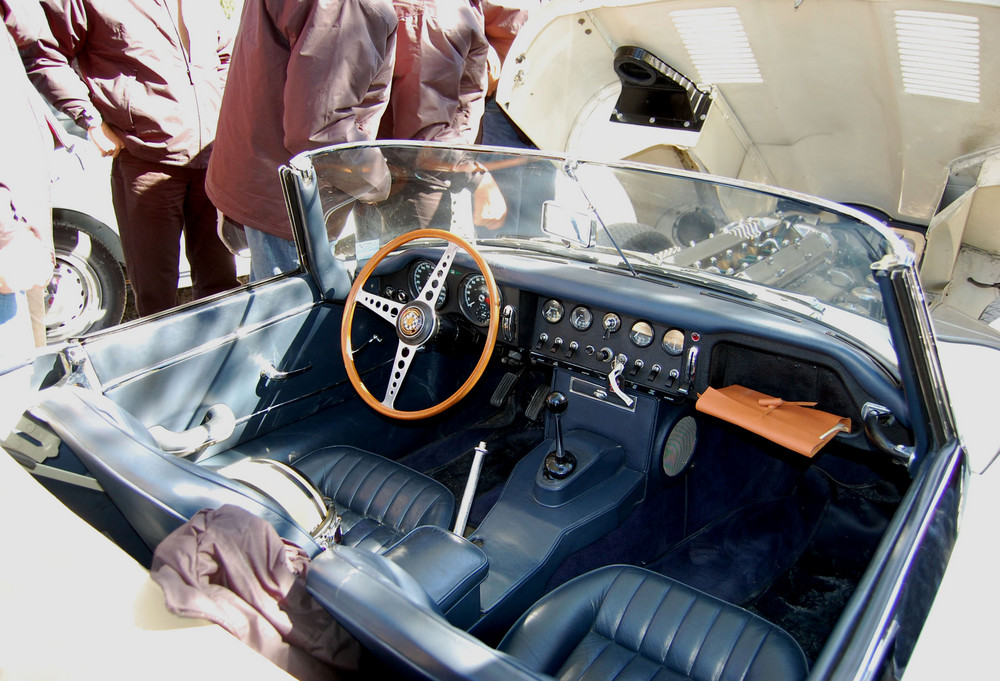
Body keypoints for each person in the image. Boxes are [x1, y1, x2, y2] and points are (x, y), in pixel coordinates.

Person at [22, 0, 239, 317]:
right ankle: (162, 363)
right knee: (156, 296)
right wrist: (91, 120)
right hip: (144, 158)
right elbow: (44, 54)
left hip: (212, 155)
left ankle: (227, 362)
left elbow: (225, 54)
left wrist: (223, 112)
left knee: (222, 287)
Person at [206, 0, 398, 282]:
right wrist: (380, 180)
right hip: (291, 200)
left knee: (277, 309)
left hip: (269, 182)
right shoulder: (346, 6)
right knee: (294, 317)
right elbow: (320, 130)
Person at [1, 0, 56, 373]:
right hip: (9, 228)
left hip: (22, 209)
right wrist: (6, 232)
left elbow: (30, 29)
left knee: (29, 359)